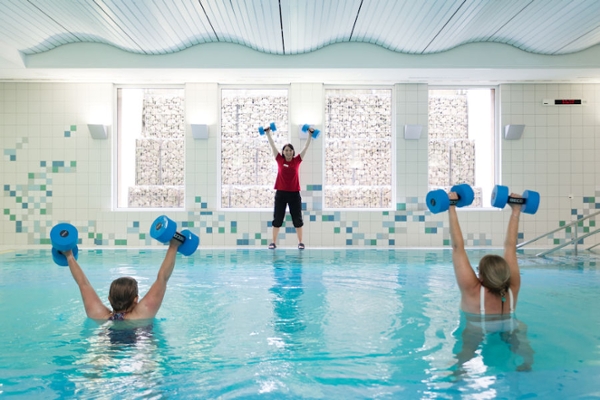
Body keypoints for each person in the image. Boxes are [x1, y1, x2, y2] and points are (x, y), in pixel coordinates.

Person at [448, 190, 534, 375]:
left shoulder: (472, 290)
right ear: (505, 272)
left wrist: (451, 206)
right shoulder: (513, 286)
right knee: (521, 343)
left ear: (480, 277)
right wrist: (516, 209)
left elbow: (457, 247)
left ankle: (459, 373)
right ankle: (526, 364)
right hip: (509, 325)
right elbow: (510, 247)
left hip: (477, 326)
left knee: (466, 352)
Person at [63, 239, 181, 320]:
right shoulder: (143, 314)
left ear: (109, 299)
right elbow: (162, 278)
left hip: (107, 344)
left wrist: (69, 255)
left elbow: (83, 283)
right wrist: (174, 246)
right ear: (136, 299)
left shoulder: (98, 315)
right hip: (140, 346)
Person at [264, 126, 313, 250]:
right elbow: (272, 146)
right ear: (283, 152)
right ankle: (273, 242)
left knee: (297, 219)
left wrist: (310, 135)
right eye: (286, 150)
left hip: (294, 194)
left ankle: (300, 242)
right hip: (280, 194)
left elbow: (306, 148)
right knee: (277, 218)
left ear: (293, 152)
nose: (288, 152)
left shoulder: (297, 161)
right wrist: (268, 133)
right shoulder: (279, 159)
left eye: (290, 150)